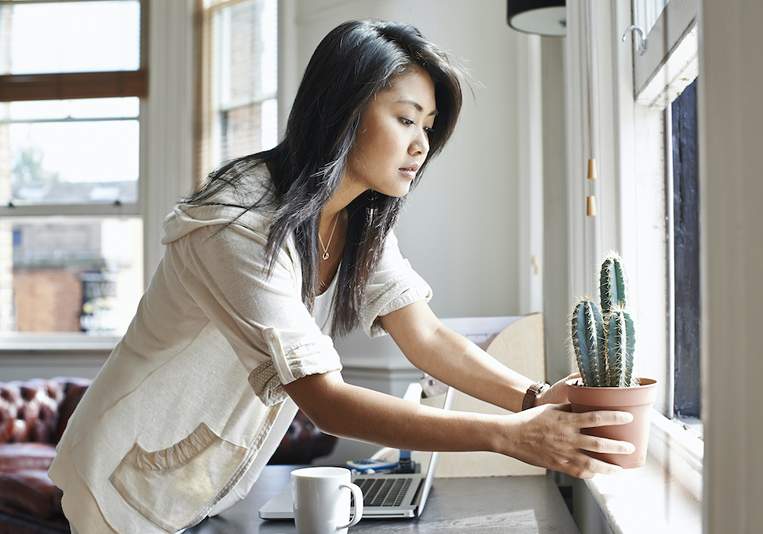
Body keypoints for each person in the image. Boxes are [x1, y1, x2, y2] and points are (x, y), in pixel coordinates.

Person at [49, 19, 635, 534]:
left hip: (195, 476)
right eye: (406, 118)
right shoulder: (239, 222)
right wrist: (508, 435)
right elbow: (324, 400)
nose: (420, 145)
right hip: (120, 478)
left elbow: (425, 336)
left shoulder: (356, 217)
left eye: (428, 126)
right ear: (344, 112)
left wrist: (533, 396)